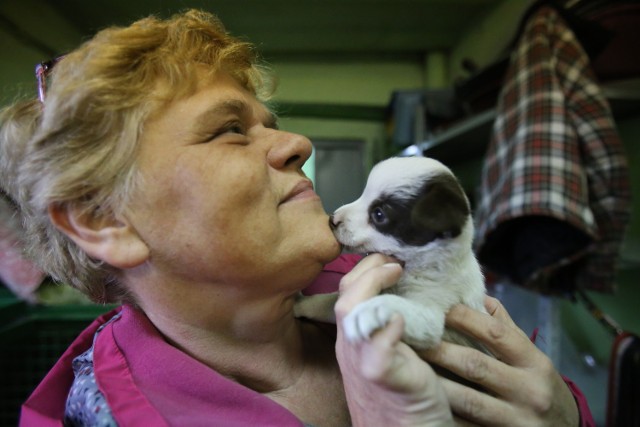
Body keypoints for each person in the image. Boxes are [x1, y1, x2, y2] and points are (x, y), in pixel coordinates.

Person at [0, 9, 593, 426]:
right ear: (106, 221)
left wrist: (569, 417)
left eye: (271, 122)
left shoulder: (369, 274)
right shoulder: (113, 415)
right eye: (230, 130)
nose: (298, 142)